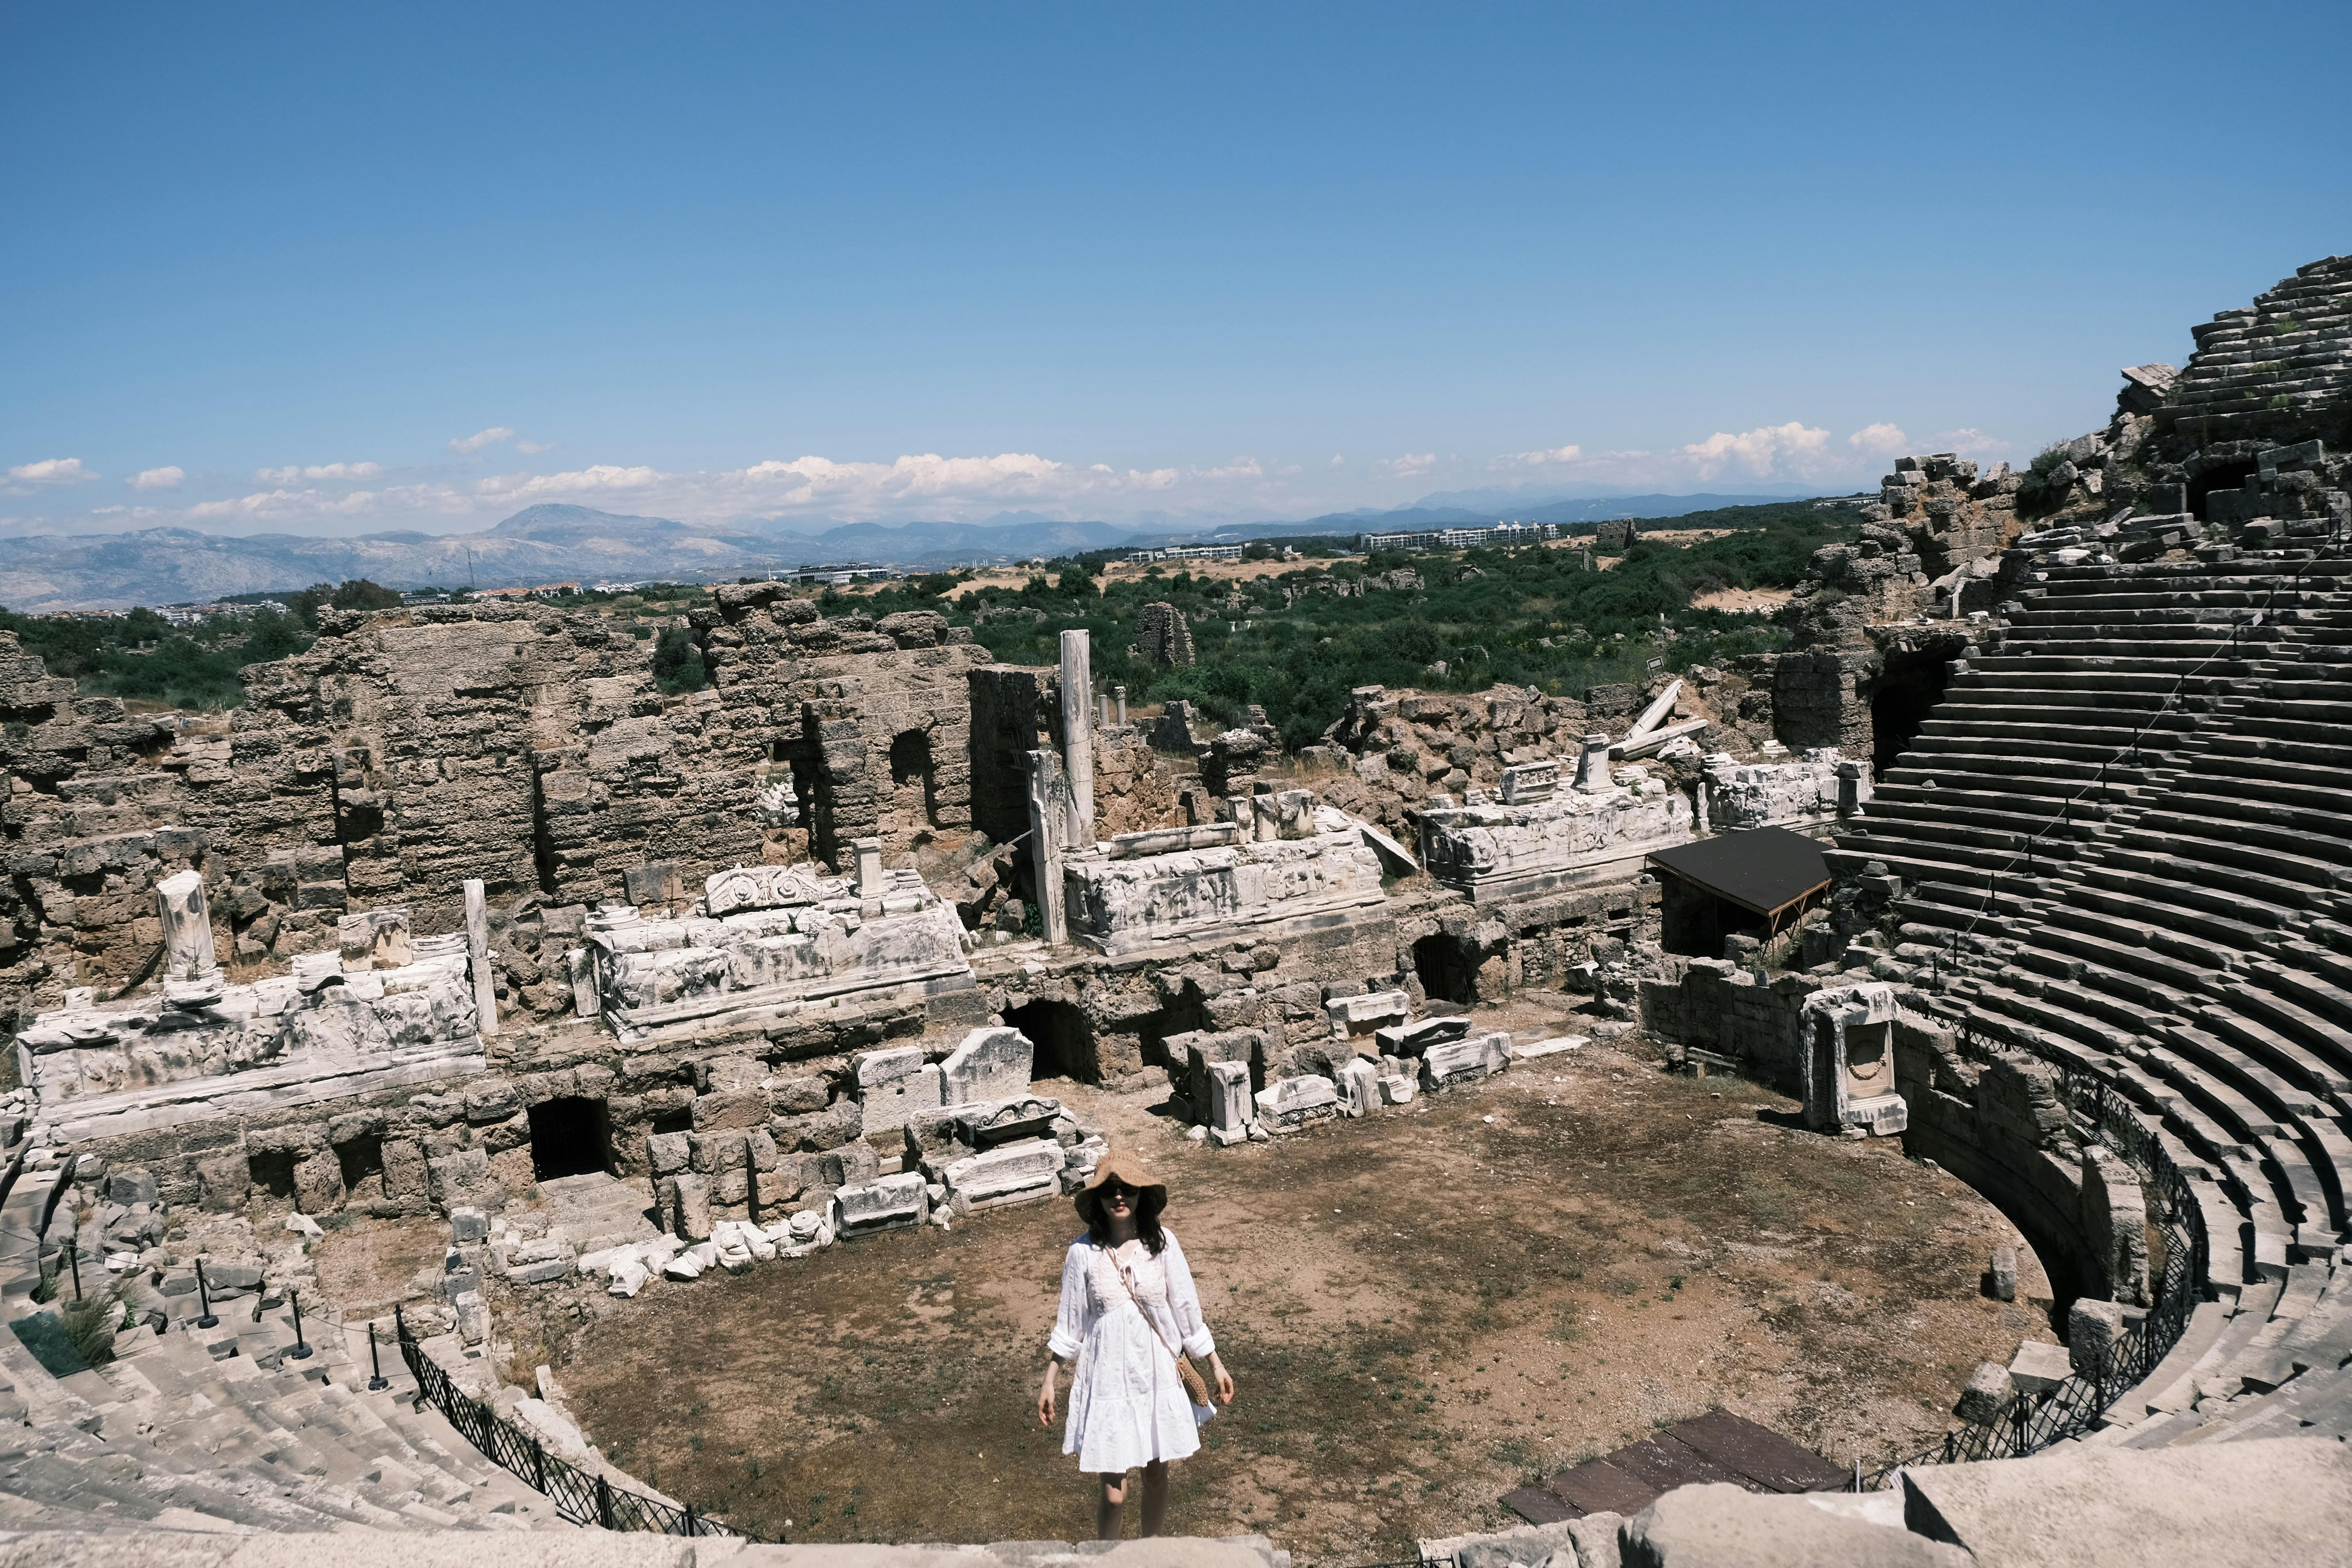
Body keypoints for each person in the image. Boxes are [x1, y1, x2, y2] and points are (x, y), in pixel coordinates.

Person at [1037, 1149, 1236, 1539]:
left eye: (1127, 1188)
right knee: (1114, 1495)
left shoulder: (1163, 1244)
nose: (1119, 1196)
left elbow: (1186, 1309)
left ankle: (1151, 1552)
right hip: (1108, 1379)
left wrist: (1215, 1363)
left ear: (1141, 1193)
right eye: (1110, 1190)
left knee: (1156, 1476)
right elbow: (1071, 1324)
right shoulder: (1082, 1254)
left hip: (1156, 1374)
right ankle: (1106, 1558)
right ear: (1098, 1198)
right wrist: (1050, 1380)